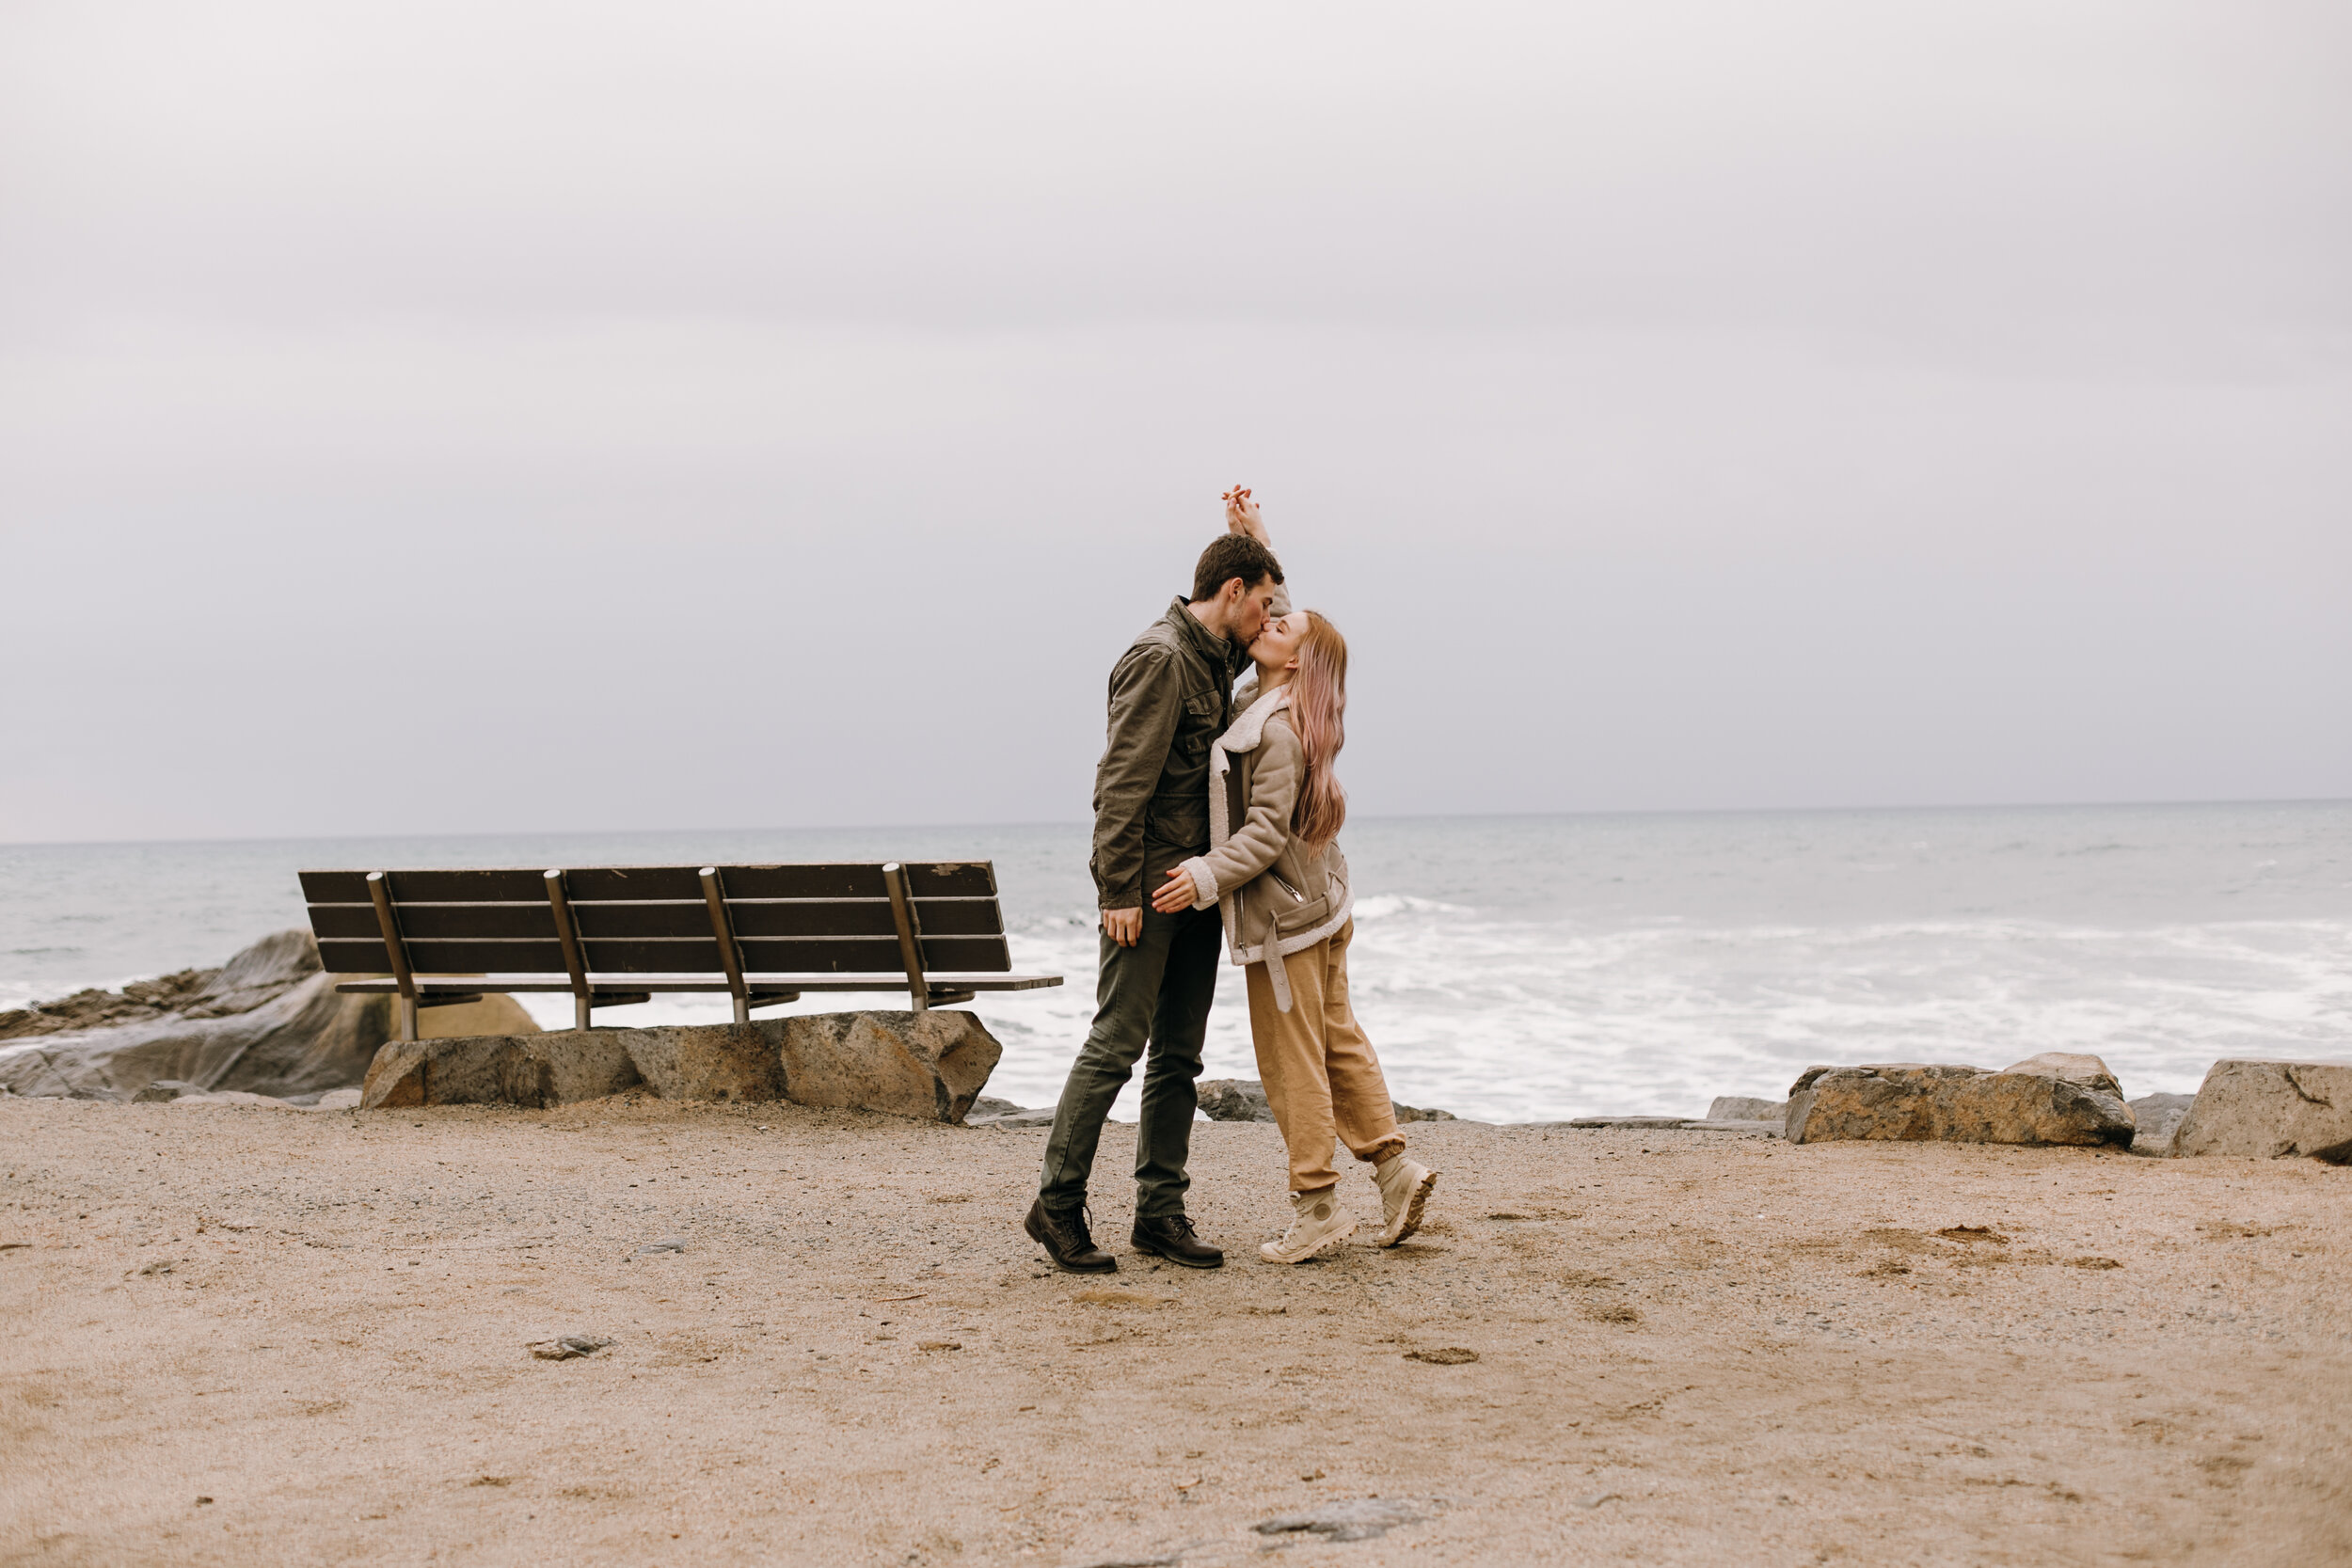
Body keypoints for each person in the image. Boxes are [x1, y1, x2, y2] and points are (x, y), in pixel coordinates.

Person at [1024, 499, 1287, 1274]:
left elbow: (1286, 638)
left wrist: (1265, 545)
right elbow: (1119, 786)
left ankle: (1159, 1212)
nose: (1267, 618)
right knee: (1116, 1045)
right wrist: (1116, 893)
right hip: (1145, 890)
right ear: (1232, 591)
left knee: (1179, 1056)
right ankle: (1057, 1203)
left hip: (1195, 889)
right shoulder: (1164, 657)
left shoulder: (1214, 653)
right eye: (1260, 601)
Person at [1149, 575, 1438, 1263]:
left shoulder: (1276, 730)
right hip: (1322, 905)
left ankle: (1317, 1207)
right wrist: (1260, 541)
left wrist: (1202, 875)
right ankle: (1396, 1174)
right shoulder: (1280, 700)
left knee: (1292, 1063)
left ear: (1295, 661)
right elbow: (1285, 628)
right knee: (1336, 1040)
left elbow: (1264, 836)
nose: (1266, 624)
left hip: (1288, 925)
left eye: (1281, 627)